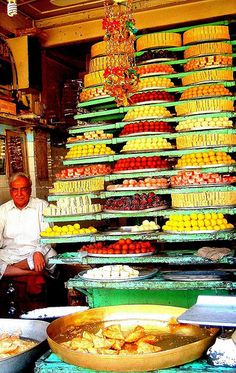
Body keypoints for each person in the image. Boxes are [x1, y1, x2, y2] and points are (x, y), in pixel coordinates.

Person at [0, 172, 57, 279]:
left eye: (23, 189)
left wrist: (38, 252)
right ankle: (31, 272)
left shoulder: (42, 206)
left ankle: (11, 270)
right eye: (15, 189)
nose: (19, 193)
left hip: (35, 253)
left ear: (30, 189)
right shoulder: (2, 210)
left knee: (51, 256)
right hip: (9, 254)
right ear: (10, 191)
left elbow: (49, 237)